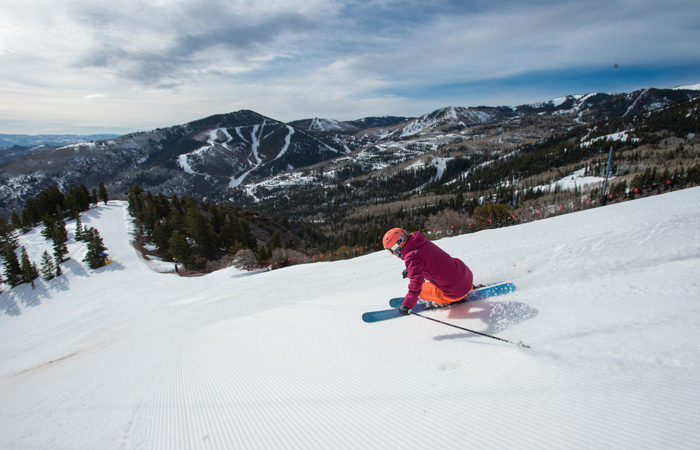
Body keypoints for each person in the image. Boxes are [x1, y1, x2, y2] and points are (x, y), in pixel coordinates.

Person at [383, 227, 474, 316]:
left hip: (455, 293)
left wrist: (408, 304)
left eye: (391, 251)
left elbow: (416, 282)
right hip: (466, 277)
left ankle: (438, 302)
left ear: (397, 248)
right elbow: (429, 260)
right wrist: (411, 270)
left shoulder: (411, 257)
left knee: (422, 291)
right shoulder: (421, 242)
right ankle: (468, 287)